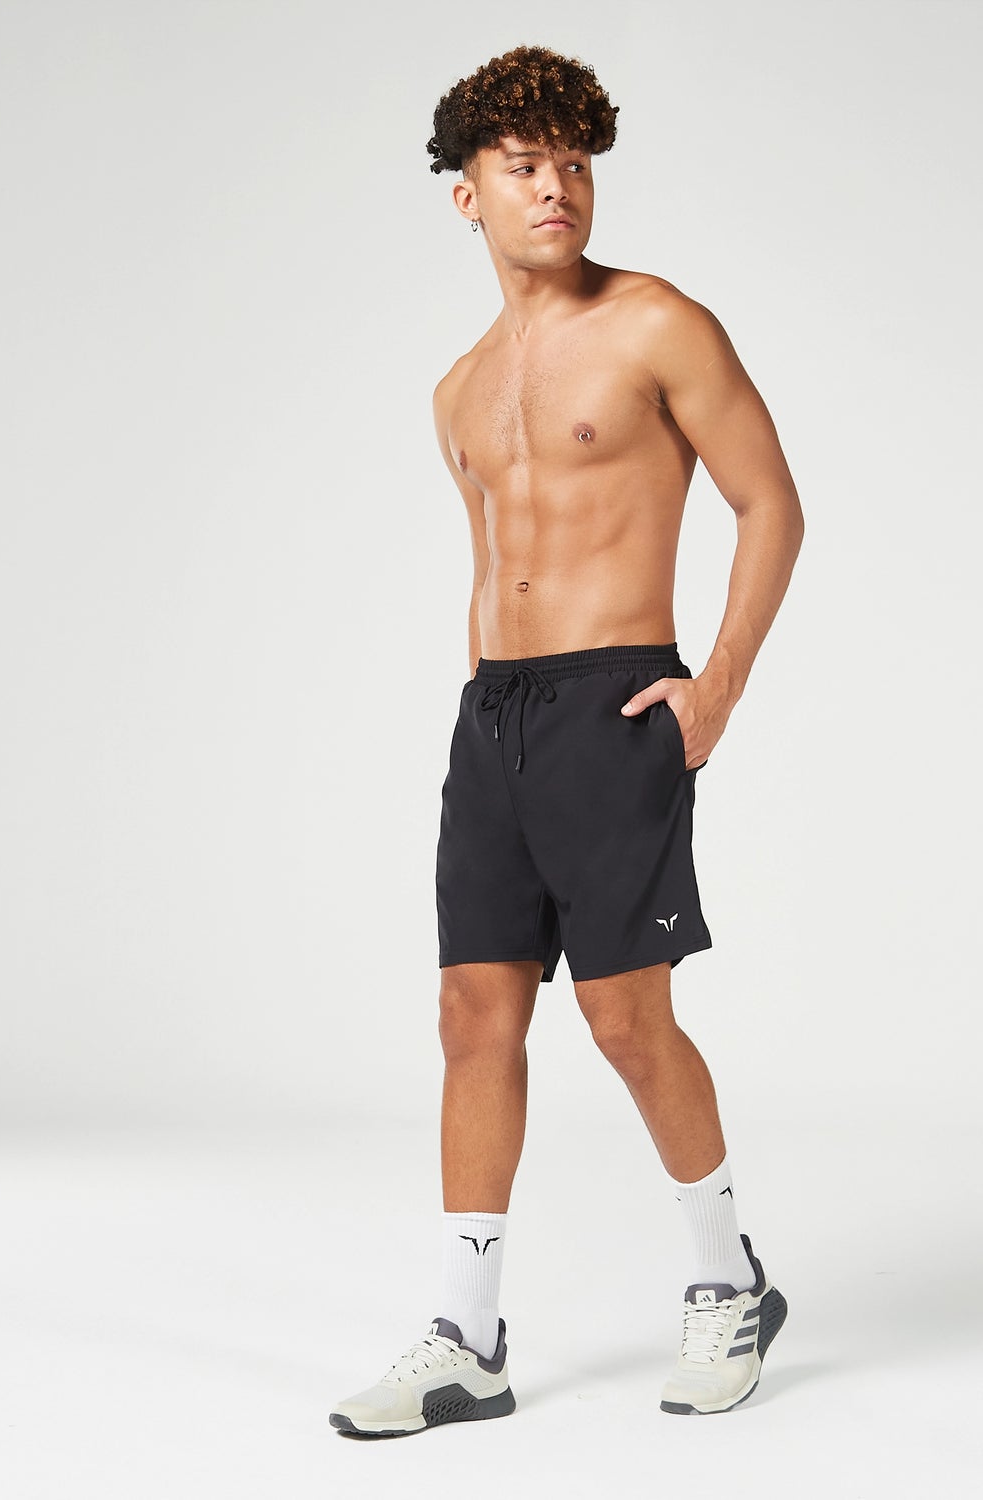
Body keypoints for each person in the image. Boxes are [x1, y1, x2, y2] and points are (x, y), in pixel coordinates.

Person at [330, 44, 805, 1438]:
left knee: (622, 1017)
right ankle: (467, 1339)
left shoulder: (658, 323)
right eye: (525, 164)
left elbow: (771, 503)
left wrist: (715, 688)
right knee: (471, 1014)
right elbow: (499, 568)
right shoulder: (459, 389)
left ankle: (728, 1283)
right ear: (467, 194)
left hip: (617, 703)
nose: (557, 187)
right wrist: (490, 726)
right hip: (496, 715)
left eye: (575, 163)